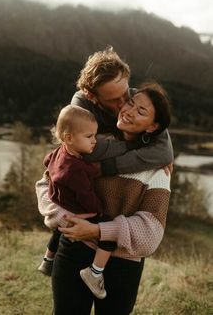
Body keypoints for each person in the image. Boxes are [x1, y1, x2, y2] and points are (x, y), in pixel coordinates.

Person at [36, 81, 172, 315]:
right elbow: (46, 184)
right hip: (73, 249)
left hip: (122, 264)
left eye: (141, 111)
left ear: (153, 127)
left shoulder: (157, 167)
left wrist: (98, 231)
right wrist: (67, 219)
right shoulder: (91, 143)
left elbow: (151, 233)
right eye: (131, 102)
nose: (129, 110)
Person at [39, 104, 117, 299]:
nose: (95, 141)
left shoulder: (60, 151)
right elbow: (86, 195)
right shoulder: (76, 169)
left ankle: (48, 259)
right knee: (110, 232)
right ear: (69, 138)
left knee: (60, 229)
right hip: (76, 209)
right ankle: (95, 272)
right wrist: (98, 211)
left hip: (61, 203)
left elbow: (47, 162)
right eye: (89, 136)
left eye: (95, 135)